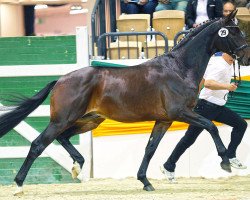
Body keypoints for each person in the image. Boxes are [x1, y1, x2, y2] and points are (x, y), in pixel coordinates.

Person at [161, 52, 248, 183]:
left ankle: (230, 155)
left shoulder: (227, 63)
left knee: (241, 124)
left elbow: (203, 78)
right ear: (227, 53)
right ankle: (169, 166)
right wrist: (227, 87)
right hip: (206, 107)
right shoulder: (219, 65)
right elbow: (208, 83)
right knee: (189, 139)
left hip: (218, 106)